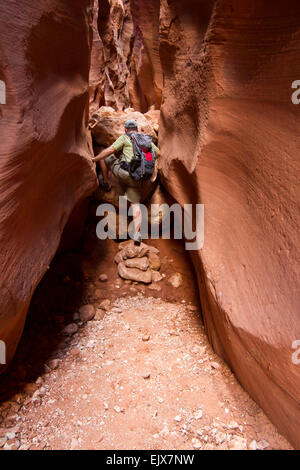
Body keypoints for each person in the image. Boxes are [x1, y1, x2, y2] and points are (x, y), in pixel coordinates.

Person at [92, 119, 160, 245]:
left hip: (125, 174)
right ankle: (137, 233)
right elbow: (158, 153)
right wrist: (154, 169)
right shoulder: (146, 140)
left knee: (105, 155)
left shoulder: (125, 137)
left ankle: (106, 182)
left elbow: (110, 151)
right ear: (137, 129)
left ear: (126, 130)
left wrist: (95, 159)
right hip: (138, 177)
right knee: (135, 205)